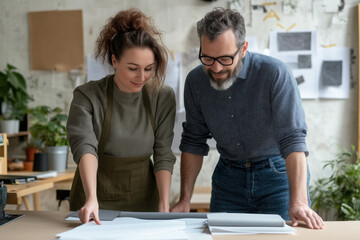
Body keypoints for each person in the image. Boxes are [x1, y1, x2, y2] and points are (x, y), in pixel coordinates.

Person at [171, 8, 324, 229]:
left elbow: (293, 141)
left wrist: (299, 201)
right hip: (228, 181)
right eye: (207, 58)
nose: (216, 67)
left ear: (243, 49)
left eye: (224, 58)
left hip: (277, 178)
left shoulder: (274, 75)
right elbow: (194, 141)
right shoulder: (195, 82)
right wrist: (185, 200)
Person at [67, 9, 176, 224]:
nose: (141, 77)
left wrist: (164, 205)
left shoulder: (161, 97)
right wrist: (91, 198)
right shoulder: (87, 96)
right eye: (133, 68)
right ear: (114, 61)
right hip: (95, 204)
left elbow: (163, 152)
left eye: (148, 69)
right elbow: (84, 146)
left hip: (144, 204)